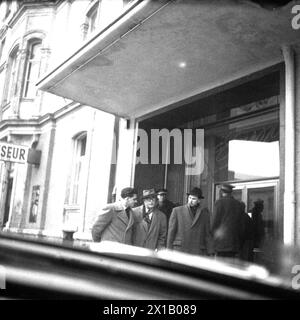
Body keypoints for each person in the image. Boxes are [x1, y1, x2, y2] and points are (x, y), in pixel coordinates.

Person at [167, 187, 212, 256]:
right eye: (189, 198)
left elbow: (207, 234)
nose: (190, 200)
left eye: (194, 199)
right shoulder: (177, 211)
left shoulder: (205, 214)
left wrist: (210, 252)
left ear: (199, 200)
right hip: (180, 250)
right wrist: (169, 251)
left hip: (197, 251)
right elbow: (171, 233)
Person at [211, 184, 244, 259]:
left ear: (222, 192)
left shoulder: (219, 203)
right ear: (231, 192)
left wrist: (213, 237)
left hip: (221, 243)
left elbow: (214, 223)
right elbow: (241, 226)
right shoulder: (238, 204)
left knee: (220, 267)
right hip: (234, 243)